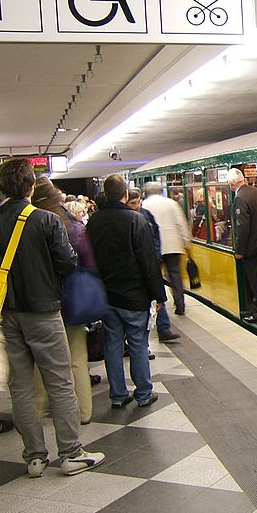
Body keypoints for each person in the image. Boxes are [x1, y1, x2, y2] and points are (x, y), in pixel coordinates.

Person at [0, 159, 105, 477]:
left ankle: (34, 457)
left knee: (21, 388)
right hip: (43, 311)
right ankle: (71, 452)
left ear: (2, 187)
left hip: (7, 313)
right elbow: (67, 263)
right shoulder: (46, 220)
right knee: (60, 383)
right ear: (30, 186)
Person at [86, 175, 165, 409]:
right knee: (138, 343)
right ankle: (143, 394)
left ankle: (118, 395)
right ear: (126, 195)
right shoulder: (135, 220)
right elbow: (148, 262)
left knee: (112, 344)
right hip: (134, 296)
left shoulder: (94, 221)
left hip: (107, 295)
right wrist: (158, 295)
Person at [30, 181, 94, 425]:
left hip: (42, 301)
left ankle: (41, 409)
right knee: (77, 358)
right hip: (73, 301)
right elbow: (85, 261)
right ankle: (83, 412)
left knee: (41, 359)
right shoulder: (71, 225)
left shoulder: (28, 224)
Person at [127, 188, 179, 342]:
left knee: (158, 294)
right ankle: (156, 331)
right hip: (140, 266)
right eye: (131, 203)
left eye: (136, 203)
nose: (135, 206)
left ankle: (164, 328)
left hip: (151, 262)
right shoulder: (132, 218)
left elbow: (156, 235)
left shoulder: (145, 215)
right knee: (152, 296)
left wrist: (156, 255)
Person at [141, 181, 190, 317]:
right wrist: (186, 242)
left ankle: (159, 308)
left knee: (156, 278)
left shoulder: (144, 205)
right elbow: (181, 223)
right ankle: (180, 305)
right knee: (175, 275)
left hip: (154, 248)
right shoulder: (171, 203)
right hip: (173, 245)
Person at [226, 169, 257, 322]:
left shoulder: (240, 198)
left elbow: (242, 227)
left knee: (255, 283)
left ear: (231, 184)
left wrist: (239, 250)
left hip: (250, 249)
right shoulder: (256, 192)